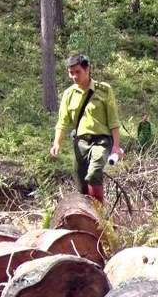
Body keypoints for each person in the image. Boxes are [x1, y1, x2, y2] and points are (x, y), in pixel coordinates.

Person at [50, 53, 121, 204]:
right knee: (81, 185)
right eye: (71, 73)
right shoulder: (69, 94)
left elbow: (113, 121)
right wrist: (57, 143)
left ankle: (99, 214)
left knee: (94, 173)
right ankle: (85, 212)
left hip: (101, 141)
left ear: (87, 70)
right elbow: (62, 123)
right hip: (80, 143)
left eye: (77, 72)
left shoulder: (104, 90)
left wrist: (116, 146)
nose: (74, 76)